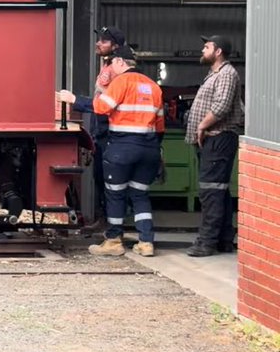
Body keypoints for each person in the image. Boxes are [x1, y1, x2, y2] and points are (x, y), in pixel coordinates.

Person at [56, 46, 164, 257]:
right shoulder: (153, 87)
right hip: (149, 149)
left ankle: (114, 240)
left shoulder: (121, 82)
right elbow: (160, 127)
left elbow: (101, 108)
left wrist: (74, 100)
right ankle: (146, 242)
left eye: (112, 64)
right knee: (140, 194)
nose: (110, 69)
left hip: (123, 148)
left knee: (115, 194)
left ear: (120, 63)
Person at [185, 35, 245, 257]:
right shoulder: (215, 74)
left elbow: (221, 106)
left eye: (207, 46)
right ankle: (223, 240)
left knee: (211, 191)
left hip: (219, 138)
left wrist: (201, 126)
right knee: (219, 191)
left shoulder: (227, 74)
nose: (203, 49)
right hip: (213, 140)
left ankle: (207, 242)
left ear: (218, 51)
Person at [89, 26, 126, 227]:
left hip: (108, 129)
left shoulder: (115, 69)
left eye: (104, 41)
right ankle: (104, 219)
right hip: (101, 128)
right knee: (100, 176)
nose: (98, 43)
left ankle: (110, 223)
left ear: (115, 46)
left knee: (107, 178)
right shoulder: (106, 65)